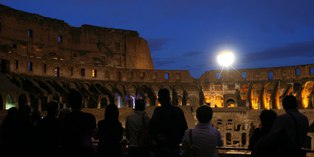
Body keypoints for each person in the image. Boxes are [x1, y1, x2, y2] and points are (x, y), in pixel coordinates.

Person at [149, 88, 188, 157]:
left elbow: (151, 128)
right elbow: (184, 128)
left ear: (159, 100)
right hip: (175, 146)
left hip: (161, 146)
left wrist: (157, 139)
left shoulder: (158, 111)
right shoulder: (178, 111)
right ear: (169, 98)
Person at [60, 89, 97, 157]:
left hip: (71, 152)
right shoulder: (90, 117)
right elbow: (95, 135)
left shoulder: (66, 119)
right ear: (82, 102)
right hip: (86, 152)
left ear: (69, 103)